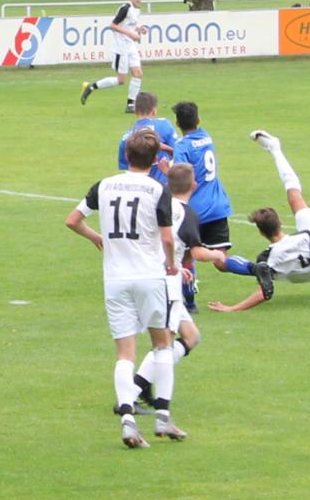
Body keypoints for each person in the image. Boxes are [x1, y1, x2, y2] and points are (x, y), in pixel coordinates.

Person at [65, 128, 182, 449]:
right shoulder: (157, 189)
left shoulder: (104, 185)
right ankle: (162, 417)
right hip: (149, 275)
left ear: (127, 155)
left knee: (124, 353)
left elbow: (72, 220)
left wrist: (96, 237)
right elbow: (167, 237)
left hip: (115, 279)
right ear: (155, 160)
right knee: (162, 345)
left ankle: (128, 421)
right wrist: (171, 263)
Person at [207, 130, 310, 312]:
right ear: (281, 222)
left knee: (258, 268)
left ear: (261, 232)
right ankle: (275, 149)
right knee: (295, 197)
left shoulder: (267, 257)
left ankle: (221, 259)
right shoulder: (306, 237)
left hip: (295, 276)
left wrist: (232, 308)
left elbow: (265, 292)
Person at [127, 164, 225, 412]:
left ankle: (141, 384)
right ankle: (129, 397)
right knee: (165, 343)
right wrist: (217, 255)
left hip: (149, 274)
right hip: (164, 284)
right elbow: (198, 253)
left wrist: (178, 267)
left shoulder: (157, 205)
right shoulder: (186, 213)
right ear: (194, 185)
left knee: (191, 336)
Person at [164, 102, 235, 311]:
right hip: (218, 205)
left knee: (186, 256)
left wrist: (166, 168)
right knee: (221, 261)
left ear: (177, 123)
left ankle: (190, 304)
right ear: (198, 120)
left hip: (195, 210)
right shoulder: (206, 136)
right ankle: (256, 269)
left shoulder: (182, 146)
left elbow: (181, 175)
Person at [81, 0, 148, 113]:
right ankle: (91, 87)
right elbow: (113, 25)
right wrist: (131, 34)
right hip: (121, 48)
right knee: (121, 80)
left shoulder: (137, 10)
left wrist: (139, 29)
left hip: (130, 46)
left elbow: (128, 25)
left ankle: (131, 104)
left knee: (138, 74)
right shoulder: (125, 8)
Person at [118, 92, 178, 185]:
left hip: (138, 187)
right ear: (154, 111)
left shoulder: (126, 137)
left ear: (135, 111)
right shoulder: (164, 125)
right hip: (162, 185)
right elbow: (178, 153)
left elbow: (126, 167)